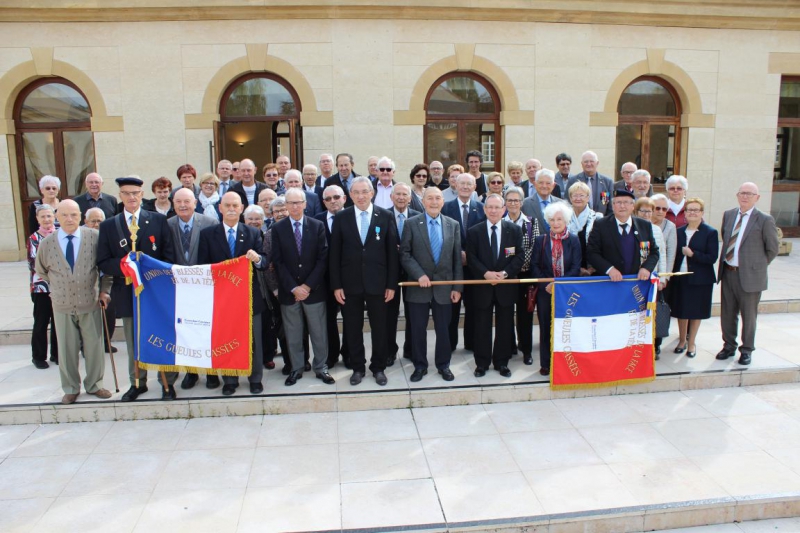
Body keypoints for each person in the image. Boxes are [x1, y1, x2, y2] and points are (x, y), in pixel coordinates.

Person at [97, 176, 178, 402]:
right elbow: (103, 261)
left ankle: (167, 382)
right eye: (126, 193)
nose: (131, 197)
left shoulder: (158, 221)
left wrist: (156, 276)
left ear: (142, 195)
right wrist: (126, 266)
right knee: (134, 339)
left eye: (135, 193)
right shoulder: (109, 225)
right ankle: (137, 382)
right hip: (127, 291)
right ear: (120, 196)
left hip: (155, 291)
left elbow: (168, 256)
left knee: (161, 336)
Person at [34, 199, 112, 404]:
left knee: (94, 347)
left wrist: (104, 291)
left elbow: (106, 269)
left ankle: (95, 384)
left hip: (91, 302)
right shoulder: (47, 243)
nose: (70, 219)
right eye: (65, 215)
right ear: (57, 217)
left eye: (74, 215)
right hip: (62, 305)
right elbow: (41, 270)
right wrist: (62, 285)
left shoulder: (94, 237)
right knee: (67, 349)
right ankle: (70, 388)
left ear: (81, 216)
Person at [330, 177, 399, 386]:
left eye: (364, 192)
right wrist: (336, 285)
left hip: (378, 285)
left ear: (372, 193)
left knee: (380, 328)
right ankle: (357, 367)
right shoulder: (341, 218)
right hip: (349, 286)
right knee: (352, 328)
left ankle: (378, 367)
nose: (360, 196)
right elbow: (334, 254)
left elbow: (392, 255)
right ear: (350, 196)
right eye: (356, 192)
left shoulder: (385, 216)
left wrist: (391, 285)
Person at [197, 192, 267, 395]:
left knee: (254, 339)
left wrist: (257, 259)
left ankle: (255, 378)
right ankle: (230, 380)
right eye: (227, 205)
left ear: (242, 208)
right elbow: (203, 266)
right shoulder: (208, 235)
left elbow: (264, 262)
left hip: (249, 297)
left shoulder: (253, 233)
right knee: (227, 339)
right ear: (220, 208)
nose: (231, 209)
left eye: (235, 205)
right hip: (223, 299)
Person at [400, 187, 463, 382]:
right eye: (430, 198)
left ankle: (443, 365)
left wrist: (457, 287)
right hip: (418, 287)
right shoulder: (411, 223)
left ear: (443, 201)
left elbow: (456, 259)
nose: (434, 202)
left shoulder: (452, 224)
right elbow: (405, 253)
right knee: (417, 329)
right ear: (423, 201)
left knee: (444, 329)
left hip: (444, 287)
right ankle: (420, 366)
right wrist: (419, 275)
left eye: (437, 198)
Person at [270, 188, 332, 386]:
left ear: (305, 204)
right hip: (290, 293)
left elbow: (323, 259)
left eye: (298, 202)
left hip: (314, 291)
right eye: (291, 203)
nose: (295, 206)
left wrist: (307, 286)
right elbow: (277, 263)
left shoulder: (317, 226)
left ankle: (321, 367)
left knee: (319, 333)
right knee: (293, 333)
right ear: (286, 206)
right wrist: (294, 288)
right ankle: (296, 368)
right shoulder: (278, 230)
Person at [716, 182, 780, 366]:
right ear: (737, 195)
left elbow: (772, 249)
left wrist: (756, 266)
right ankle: (728, 346)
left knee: (748, 315)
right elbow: (726, 238)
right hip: (728, 273)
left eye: (750, 194)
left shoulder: (764, 219)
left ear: (757, 198)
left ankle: (747, 350)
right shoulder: (729, 215)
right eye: (742, 193)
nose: (745, 196)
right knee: (728, 313)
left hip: (751, 277)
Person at [467, 194, 525, 378]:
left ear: (504, 209)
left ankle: (502, 363)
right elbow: (471, 257)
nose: (493, 211)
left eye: (497, 207)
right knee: (482, 326)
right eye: (489, 207)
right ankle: (481, 364)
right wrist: (486, 274)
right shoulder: (474, 231)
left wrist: (504, 274)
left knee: (505, 326)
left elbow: (519, 257)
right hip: (482, 287)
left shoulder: (514, 230)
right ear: (484, 209)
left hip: (505, 287)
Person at [169, 188, 221, 390]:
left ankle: (211, 373)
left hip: (205, 287)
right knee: (186, 331)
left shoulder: (209, 223)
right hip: (179, 289)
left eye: (187, 201)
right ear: (174, 204)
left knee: (206, 331)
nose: (183, 205)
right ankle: (191, 373)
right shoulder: (168, 225)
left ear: (194, 203)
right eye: (179, 201)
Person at [532, 202, 583, 375]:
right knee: (546, 327)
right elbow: (535, 266)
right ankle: (546, 363)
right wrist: (547, 285)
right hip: (546, 292)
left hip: (567, 292)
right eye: (552, 220)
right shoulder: (541, 240)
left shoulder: (574, 240)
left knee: (565, 328)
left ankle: (565, 362)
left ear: (566, 220)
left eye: (559, 219)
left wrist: (559, 285)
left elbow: (576, 267)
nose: (555, 223)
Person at [668, 197, 719, 359]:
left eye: (696, 210)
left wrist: (693, 254)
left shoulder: (710, 232)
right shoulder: (679, 231)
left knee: (696, 312)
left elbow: (712, 257)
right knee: (681, 311)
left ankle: (692, 343)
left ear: (702, 213)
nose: (692, 213)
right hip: (680, 277)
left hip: (700, 280)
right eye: (689, 210)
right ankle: (682, 341)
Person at [441, 173, 486, 352]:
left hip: (475, 268)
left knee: (474, 308)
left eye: (469, 184)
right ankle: (450, 344)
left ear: (475, 187)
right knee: (452, 308)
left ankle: (471, 343)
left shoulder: (483, 208)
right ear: (456, 186)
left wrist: (471, 255)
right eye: (462, 184)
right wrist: (457, 253)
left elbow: (484, 238)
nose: (466, 187)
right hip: (452, 267)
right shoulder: (446, 208)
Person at [586, 189, 660, 281]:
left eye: (626, 202)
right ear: (613, 206)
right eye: (618, 202)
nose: (622, 206)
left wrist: (646, 268)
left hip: (636, 282)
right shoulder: (601, 225)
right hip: (609, 281)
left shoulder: (644, 226)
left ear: (633, 206)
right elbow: (592, 252)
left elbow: (654, 252)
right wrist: (609, 269)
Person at [503, 186, 541, 365]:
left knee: (525, 315)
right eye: (509, 200)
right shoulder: (499, 221)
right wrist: (510, 268)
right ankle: (509, 346)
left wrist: (518, 263)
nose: (513, 203)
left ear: (522, 202)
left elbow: (534, 249)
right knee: (506, 312)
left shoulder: (531, 222)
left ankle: (526, 349)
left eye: (516, 200)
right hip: (506, 277)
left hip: (526, 276)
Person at [314, 185, 349, 369]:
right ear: (323, 202)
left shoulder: (354, 216)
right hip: (325, 280)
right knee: (328, 320)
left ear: (344, 198)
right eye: (328, 199)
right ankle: (332, 355)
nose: (333, 201)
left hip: (350, 279)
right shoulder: (317, 220)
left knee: (351, 319)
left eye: (336, 197)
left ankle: (349, 354)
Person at [386, 182, 420, 364]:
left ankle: (411, 349)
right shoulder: (383, 216)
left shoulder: (417, 216)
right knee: (389, 314)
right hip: (389, 273)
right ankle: (390, 351)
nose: (400, 197)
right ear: (391, 197)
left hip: (412, 273)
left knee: (413, 313)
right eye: (397, 194)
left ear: (410, 198)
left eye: (404, 195)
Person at [244, 205, 281, 371]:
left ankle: (268, 355)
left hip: (266, 286)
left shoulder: (267, 235)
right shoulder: (243, 235)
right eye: (250, 219)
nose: (254, 222)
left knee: (268, 324)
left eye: (257, 219)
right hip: (247, 287)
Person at [28, 204, 59, 369]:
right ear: (37, 219)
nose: (47, 220)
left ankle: (57, 354)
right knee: (41, 322)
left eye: (49, 216)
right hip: (41, 287)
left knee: (58, 322)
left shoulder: (60, 235)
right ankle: (38, 356)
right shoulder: (34, 238)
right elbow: (34, 263)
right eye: (43, 217)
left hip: (59, 287)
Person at [83, 208, 116, 354]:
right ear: (86, 222)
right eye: (93, 221)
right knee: (89, 317)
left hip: (106, 277)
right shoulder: (82, 237)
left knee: (109, 312)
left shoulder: (108, 235)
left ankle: (106, 341)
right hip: (87, 281)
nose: (96, 224)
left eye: (99, 221)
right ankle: (86, 346)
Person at [648, 193, 678, 355]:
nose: (660, 211)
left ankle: (656, 344)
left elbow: (670, 253)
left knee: (657, 310)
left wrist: (665, 277)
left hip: (658, 277)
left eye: (664, 209)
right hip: (641, 277)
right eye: (657, 208)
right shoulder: (640, 224)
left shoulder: (670, 227)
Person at [567, 181, 600, 276]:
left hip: (592, 268)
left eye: (581, 195)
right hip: (569, 267)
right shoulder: (563, 218)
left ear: (588, 198)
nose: (578, 198)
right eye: (574, 195)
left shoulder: (597, 218)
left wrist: (592, 267)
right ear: (570, 198)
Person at [568, 151, 614, 215]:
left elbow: (610, 206)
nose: (589, 164)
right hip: (579, 221)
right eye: (586, 162)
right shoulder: (573, 181)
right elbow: (567, 203)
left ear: (597, 163)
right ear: (582, 164)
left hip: (601, 221)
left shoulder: (607, 182)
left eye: (591, 161)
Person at [522, 168, 565, 232]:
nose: (544, 186)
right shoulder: (524, 204)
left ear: (553, 185)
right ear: (535, 184)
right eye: (541, 183)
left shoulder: (561, 204)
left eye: (548, 183)